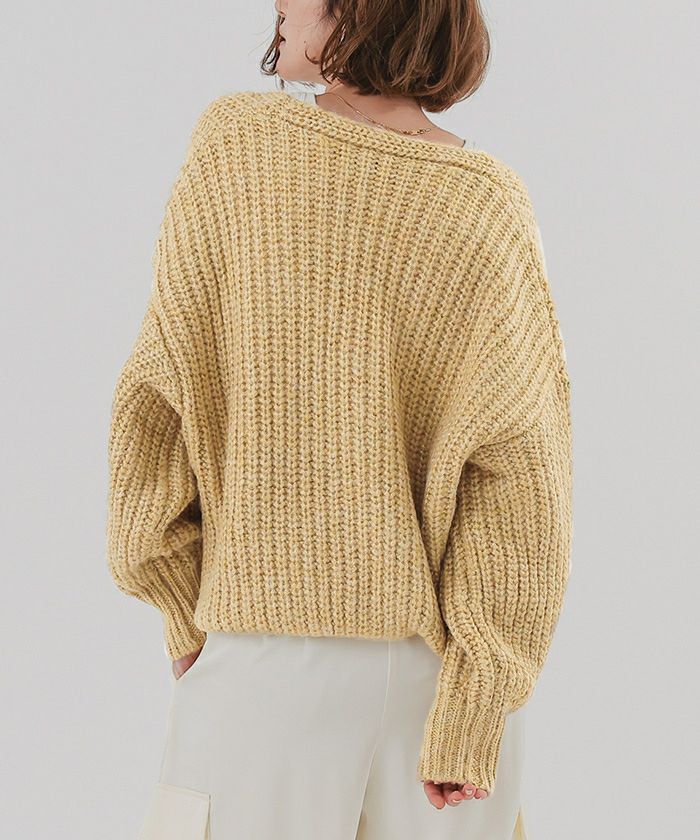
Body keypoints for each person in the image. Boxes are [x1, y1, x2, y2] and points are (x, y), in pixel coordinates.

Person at [106, 2, 573, 838]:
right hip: (438, 693)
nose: (279, 3)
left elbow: (155, 400)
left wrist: (179, 598)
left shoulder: (241, 147)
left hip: (264, 663)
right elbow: (521, 481)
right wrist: (478, 701)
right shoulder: (487, 202)